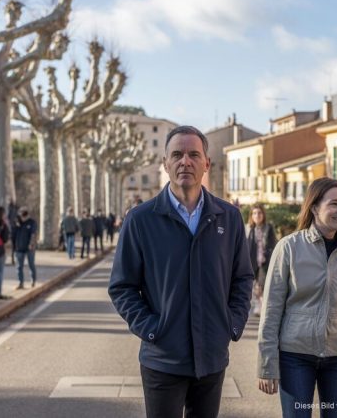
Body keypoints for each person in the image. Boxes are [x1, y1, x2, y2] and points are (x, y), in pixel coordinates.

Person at [108, 126, 253, 418]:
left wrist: (232, 323)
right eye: (177, 154)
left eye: (193, 154)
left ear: (206, 164)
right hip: (162, 360)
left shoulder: (230, 217)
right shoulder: (140, 220)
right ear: (165, 164)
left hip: (212, 359)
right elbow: (121, 287)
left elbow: (243, 278)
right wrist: (150, 329)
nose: (184, 161)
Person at [257, 177, 337, 418]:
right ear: (314, 207)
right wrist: (266, 363)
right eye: (334, 204)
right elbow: (271, 309)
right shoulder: (289, 247)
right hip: (295, 356)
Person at [247, 203, 277, 317]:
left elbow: (272, 244)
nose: (257, 215)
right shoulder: (249, 229)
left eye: (259, 213)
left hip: (265, 262)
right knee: (256, 286)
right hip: (253, 262)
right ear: (251, 216)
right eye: (254, 213)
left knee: (263, 285)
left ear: (263, 215)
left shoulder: (268, 228)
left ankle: (263, 308)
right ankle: (260, 307)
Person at [12, 207, 38, 289]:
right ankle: (20, 283)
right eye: (20, 216)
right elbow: (13, 235)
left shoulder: (32, 223)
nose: (22, 218)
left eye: (23, 217)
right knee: (19, 266)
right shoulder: (17, 223)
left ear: (27, 216)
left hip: (29, 247)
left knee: (31, 264)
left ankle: (33, 281)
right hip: (19, 247)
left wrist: (31, 244)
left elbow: (33, 234)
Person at [7, 199, 18, 265]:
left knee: (13, 246)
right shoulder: (15, 209)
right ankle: (14, 259)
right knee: (15, 246)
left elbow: (8, 218)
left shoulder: (11, 210)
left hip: (12, 229)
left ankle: (13, 259)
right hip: (15, 228)